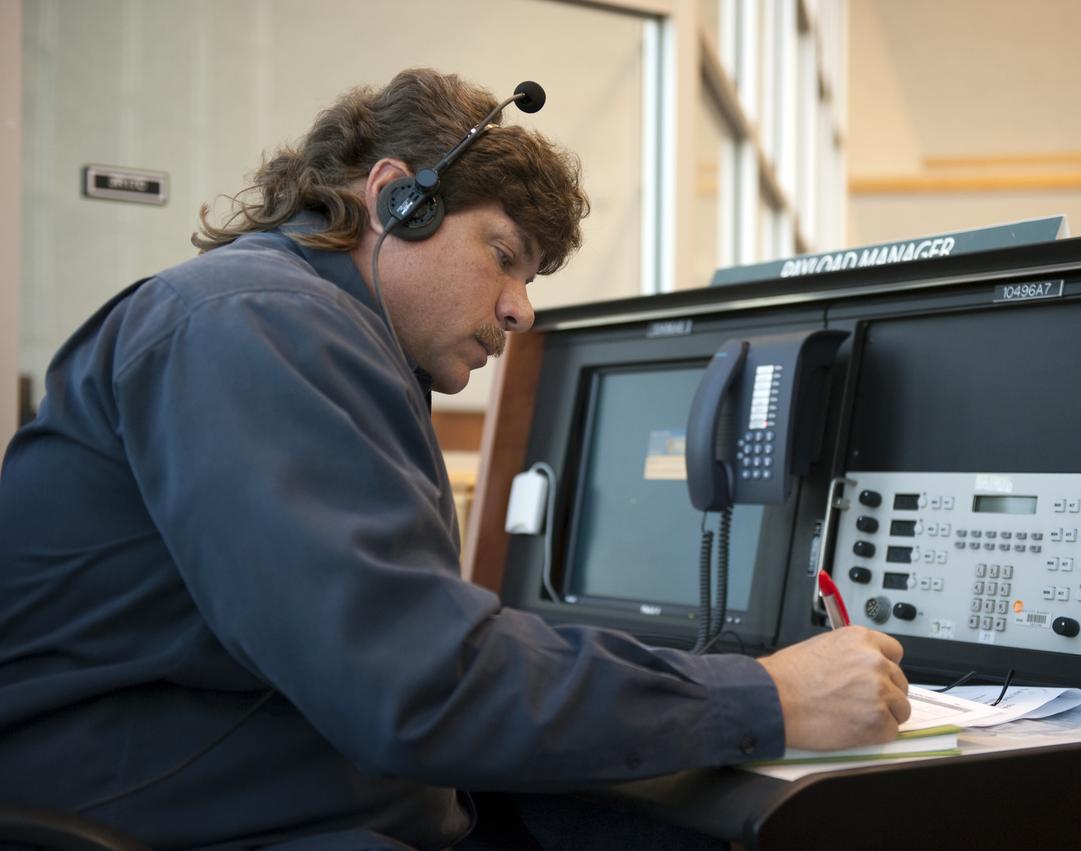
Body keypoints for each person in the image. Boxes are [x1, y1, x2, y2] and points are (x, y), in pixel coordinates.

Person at [0, 68, 910, 849]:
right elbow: (418, 682)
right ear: (396, 197)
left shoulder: (311, 335)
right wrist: (761, 696)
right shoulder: (255, 324)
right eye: (504, 257)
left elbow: (417, 645)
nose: (521, 310)